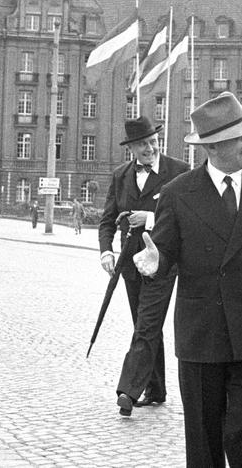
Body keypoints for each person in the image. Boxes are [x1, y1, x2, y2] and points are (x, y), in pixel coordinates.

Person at [133, 93, 242, 467]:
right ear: (213, 146)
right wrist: (155, 261)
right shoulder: (178, 193)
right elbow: (161, 253)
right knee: (204, 440)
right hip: (202, 335)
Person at [100, 116, 190, 416]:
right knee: (146, 323)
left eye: (152, 142)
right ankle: (156, 389)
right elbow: (106, 219)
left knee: (147, 323)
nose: (149, 149)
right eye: (142, 145)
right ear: (132, 149)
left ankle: (128, 389)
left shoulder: (179, 171)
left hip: (163, 261)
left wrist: (148, 218)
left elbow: (185, 216)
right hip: (130, 262)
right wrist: (106, 252)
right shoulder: (120, 175)